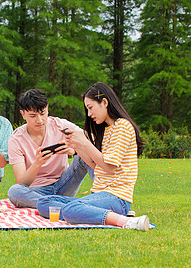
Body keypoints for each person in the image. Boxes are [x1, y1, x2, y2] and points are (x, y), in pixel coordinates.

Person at [36, 82, 150, 231]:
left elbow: (109, 167)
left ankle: (126, 221)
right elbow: (98, 166)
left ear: (104, 102)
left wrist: (85, 141)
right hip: (99, 195)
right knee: (44, 203)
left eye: (90, 108)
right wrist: (77, 147)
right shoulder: (105, 129)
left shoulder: (123, 127)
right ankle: (97, 213)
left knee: (71, 210)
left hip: (116, 198)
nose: (89, 114)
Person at [7, 89, 91, 208]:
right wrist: (37, 164)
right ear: (23, 114)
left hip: (64, 183)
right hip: (37, 191)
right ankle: (67, 205)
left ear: (47, 109)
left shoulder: (60, 125)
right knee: (14, 192)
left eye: (42, 113)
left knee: (86, 156)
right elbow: (22, 182)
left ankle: (99, 196)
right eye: (33, 116)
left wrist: (75, 149)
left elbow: (90, 138)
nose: (39, 120)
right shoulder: (16, 139)